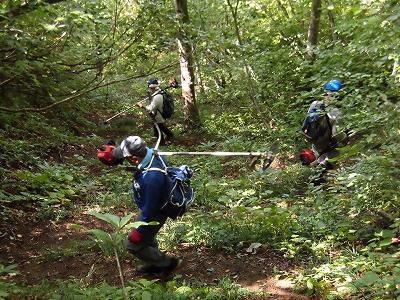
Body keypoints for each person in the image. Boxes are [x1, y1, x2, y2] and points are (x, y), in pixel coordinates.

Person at [97, 136, 182, 277]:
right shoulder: (152, 153)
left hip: (155, 212)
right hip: (150, 204)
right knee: (147, 239)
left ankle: (168, 263)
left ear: (135, 158)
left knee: (133, 245)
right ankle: (154, 263)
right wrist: (113, 152)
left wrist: (140, 230)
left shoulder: (152, 178)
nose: (122, 159)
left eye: (125, 157)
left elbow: (150, 210)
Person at [145, 79, 174, 145]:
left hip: (158, 116)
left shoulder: (157, 96)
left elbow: (150, 108)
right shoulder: (159, 93)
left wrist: (143, 106)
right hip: (158, 115)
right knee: (161, 127)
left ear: (152, 87)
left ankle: (162, 143)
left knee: (158, 130)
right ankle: (169, 136)